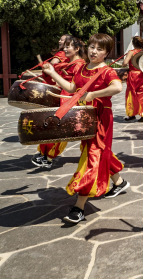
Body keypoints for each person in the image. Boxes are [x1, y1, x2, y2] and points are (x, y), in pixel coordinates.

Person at [42, 34, 130, 224]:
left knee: (93, 155)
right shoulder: (82, 68)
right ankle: (120, 183)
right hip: (84, 116)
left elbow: (117, 88)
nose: (94, 51)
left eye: (99, 49)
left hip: (101, 117)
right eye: (92, 47)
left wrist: (93, 95)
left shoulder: (107, 71)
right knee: (98, 152)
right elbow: (72, 87)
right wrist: (52, 74)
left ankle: (79, 207)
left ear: (107, 52)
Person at [32, 37, 86, 168]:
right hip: (64, 96)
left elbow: (75, 86)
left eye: (68, 47)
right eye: (65, 46)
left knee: (60, 128)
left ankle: (48, 157)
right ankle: (46, 155)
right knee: (57, 126)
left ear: (77, 49)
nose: (65, 49)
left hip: (70, 98)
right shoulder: (70, 63)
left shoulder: (79, 64)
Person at [122, 36, 143, 122]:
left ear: (133, 44)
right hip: (142, 75)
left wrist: (123, 63)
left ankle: (132, 114)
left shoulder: (131, 52)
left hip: (133, 75)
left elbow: (124, 63)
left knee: (131, 94)